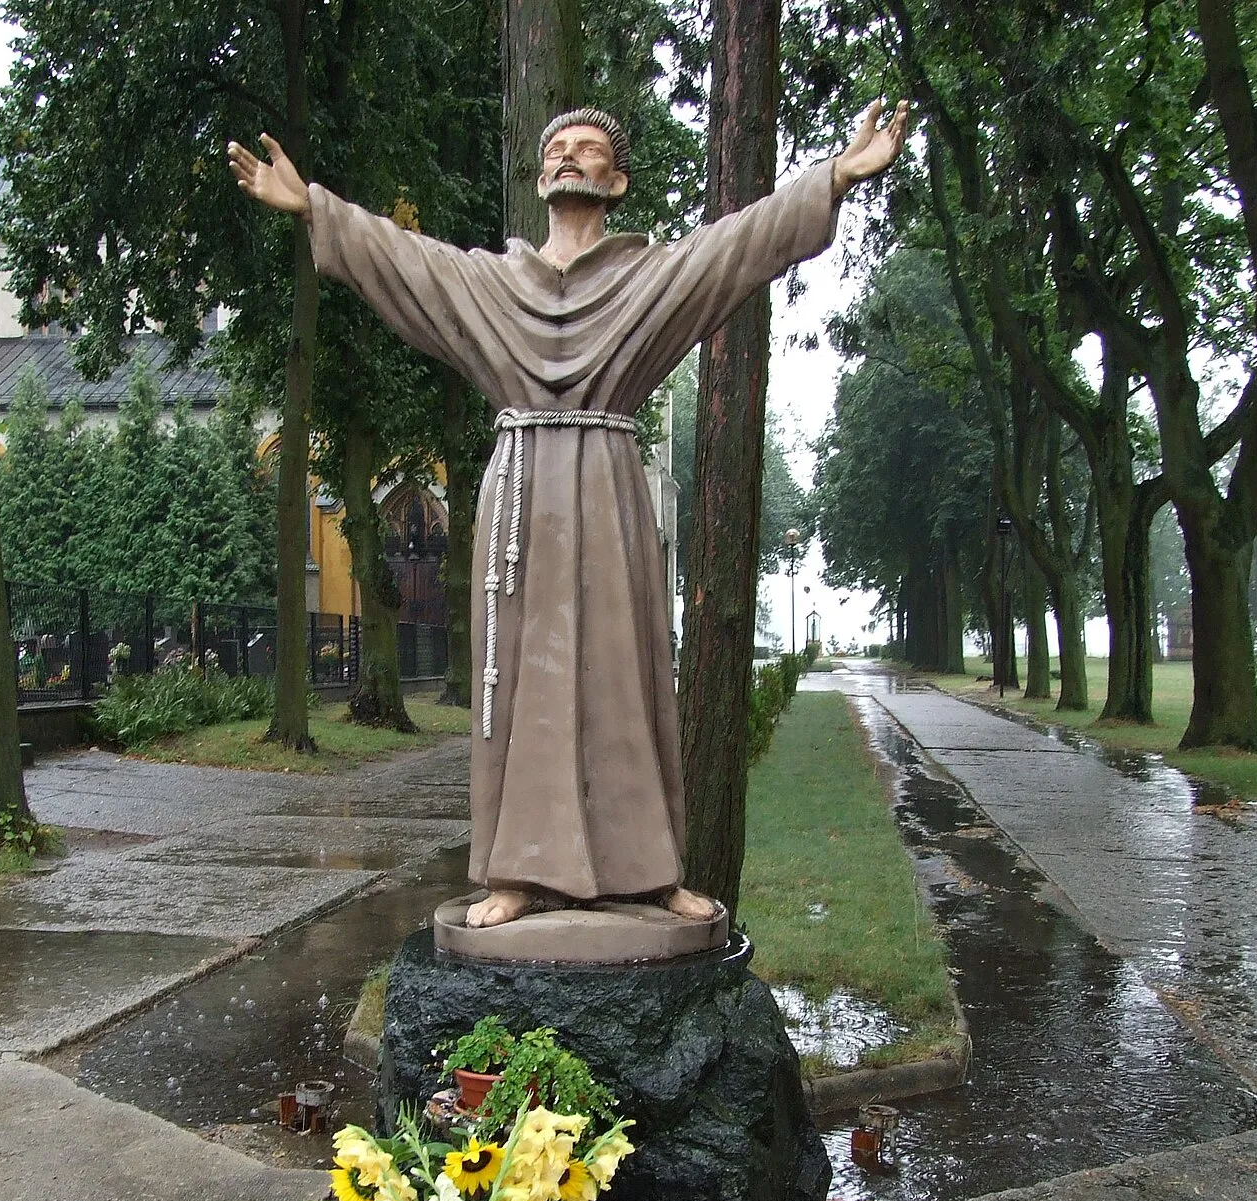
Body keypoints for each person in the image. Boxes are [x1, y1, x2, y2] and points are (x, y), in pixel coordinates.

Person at [230, 99, 907, 930]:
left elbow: (739, 245)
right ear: (541, 174)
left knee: (625, 677)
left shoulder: (648, 276)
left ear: (614, 180)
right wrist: (315, 207)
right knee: (524, 682)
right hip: (521, 503)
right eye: (557, 149)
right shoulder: (494, 282)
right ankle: (518, 871)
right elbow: (407, 260)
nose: (568, 159)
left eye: (588, 150)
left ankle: (653, 874)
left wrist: (833, 176)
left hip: (611, 495)